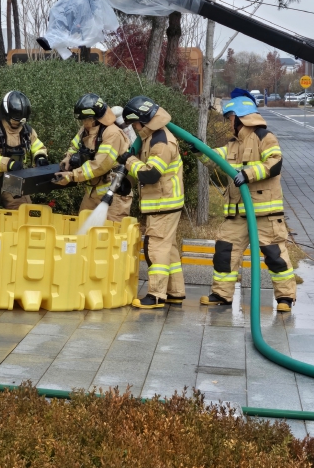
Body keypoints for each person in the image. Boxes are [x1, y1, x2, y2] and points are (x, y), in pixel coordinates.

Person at [195, 88, 296, 312]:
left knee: (275, 256)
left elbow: (274, 163)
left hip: (265, 215)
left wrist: (247, 174)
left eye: (230, 118)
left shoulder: (265, 138)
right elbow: (214, 158)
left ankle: (285, 298)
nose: (228, 123)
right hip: (237, 216)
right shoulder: (233, 144)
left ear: (240, 117)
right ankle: (221, 294)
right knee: (224, 253)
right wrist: (199, 150)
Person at [119, 95, 186, 309]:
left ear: (143, 120)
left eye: (135, 123)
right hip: (164, 203)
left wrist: (129, 161)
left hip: (163, 204)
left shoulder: (161, 142)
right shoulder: (152, 137)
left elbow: (151, 174)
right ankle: (175, 292)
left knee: (155, 248)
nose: (134, 127)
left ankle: (156, 296)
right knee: (168, 248)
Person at [53, 93, 132, 222]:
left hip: (113, 194)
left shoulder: (112, 134)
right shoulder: (85, 130)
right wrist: (68, 158)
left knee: (111, 232)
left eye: (85, 119)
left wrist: (72, 176)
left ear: (95, 118)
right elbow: (75, 146)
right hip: (92, 193)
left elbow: (100, 165)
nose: (83, 123)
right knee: (82, 229)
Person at [0, 91, 48, 209]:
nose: (18, 123)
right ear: (6, 114)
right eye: (16, 119)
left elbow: (38, 146)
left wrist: (40, 157)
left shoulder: (27, 131)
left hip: (15, 182)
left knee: (25, 213)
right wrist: (9, 164)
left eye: (22, 120)